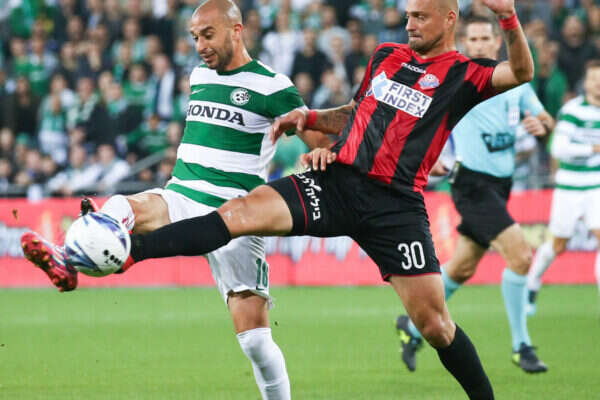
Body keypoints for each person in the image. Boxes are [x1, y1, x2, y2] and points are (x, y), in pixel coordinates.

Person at [25, 0, 534, 398]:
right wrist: (312, 122)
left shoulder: (464, 73)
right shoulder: (386, 56)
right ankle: (123, 253)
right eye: (407, 16)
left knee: (435, 325)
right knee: (236, 213)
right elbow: (357, 113)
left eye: (420, 17)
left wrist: (508, 20)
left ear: (448, 18)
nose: (410, 25)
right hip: (337, 182)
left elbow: (521, 72)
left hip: (395, 205)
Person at [21, 1, 332, 399]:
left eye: (208, 35)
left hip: (236, 215)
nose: (200, 46)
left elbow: (318, 139)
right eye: (195, 37)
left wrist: (320, 154)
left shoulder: (272, 86)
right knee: (122, 206)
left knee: (255, 342)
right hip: (182, 194)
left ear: (236, 31)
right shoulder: (199, 75)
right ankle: (68, 259)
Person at [394, 15, 554, 375]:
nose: (480, 44)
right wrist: (424, 156)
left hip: (501, 186)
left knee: (463, 267)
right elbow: (419, 120)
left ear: (497, 42)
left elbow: (547, 121)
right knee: (521, 257)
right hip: (470, 184)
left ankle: (411, 327)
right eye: (474, 39)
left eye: (485, 38)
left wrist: (541, 125)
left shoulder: (516, 84)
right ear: (464, 43)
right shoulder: (460, 81)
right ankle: (522, 346)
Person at [527, 60, 600, 315]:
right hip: (569, 186)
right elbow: (559, 149)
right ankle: (532, 282)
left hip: (596, 185)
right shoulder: (573, 111)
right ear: (586, 83)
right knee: (558, 245)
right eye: (593, 79)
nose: (598, 84)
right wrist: (592, 148)